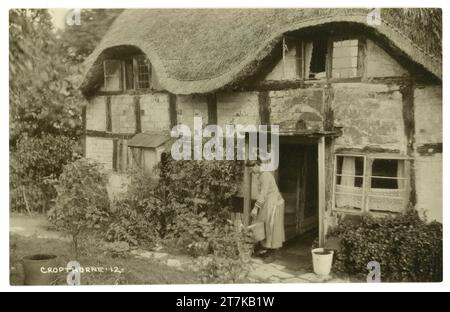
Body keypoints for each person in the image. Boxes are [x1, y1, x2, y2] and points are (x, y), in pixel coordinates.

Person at [250, 158, 285, 263]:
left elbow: (263, 193)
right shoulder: (261, 175)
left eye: (251, 168)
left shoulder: (265, 176)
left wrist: (256, 208)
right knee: (265, 224)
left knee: (272, 227)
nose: (251, 171)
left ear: (256, 165)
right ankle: (268, 250)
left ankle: (273, 253)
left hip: (275, 203)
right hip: (268, 203)